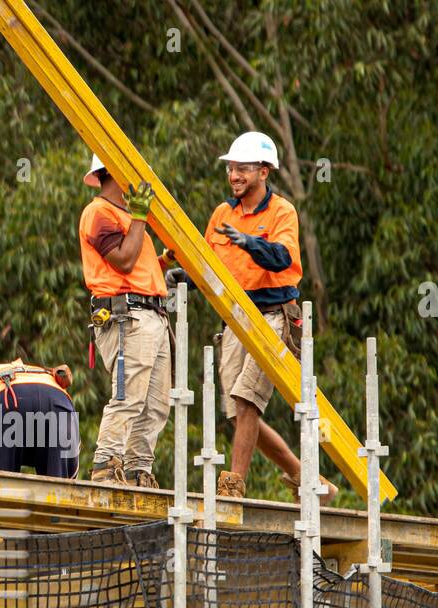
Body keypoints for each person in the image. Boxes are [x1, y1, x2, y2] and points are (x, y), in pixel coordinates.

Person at [170, 132, 337, 502]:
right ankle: (305, 476)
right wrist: (185, 276)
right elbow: (209, 266)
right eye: (231, 168)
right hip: (235, 318)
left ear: (264, 171)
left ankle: (234, 484)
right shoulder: (222, 214)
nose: (234, 175)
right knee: (236, 411)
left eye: (242, 168)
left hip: (273, 316)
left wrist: (252, 244)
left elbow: (284, 259)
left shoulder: (282, 211)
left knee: (247, 401)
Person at [78, 153, 171, 488]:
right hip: (127, 316)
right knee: (128, 396)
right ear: (114, 173)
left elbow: (140, 266)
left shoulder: (129, 219)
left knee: (156, 404)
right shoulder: (98, 212)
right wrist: (141, 215)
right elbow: (124, 261)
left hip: (152, 314)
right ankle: (106, 464)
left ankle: (136, 469)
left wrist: (162, 261)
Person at [0, 359, 79, 478]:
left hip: (9, 400)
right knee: (59, 488)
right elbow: (71, 458)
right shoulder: (44, 375)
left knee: (0, 487)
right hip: (60, 404)